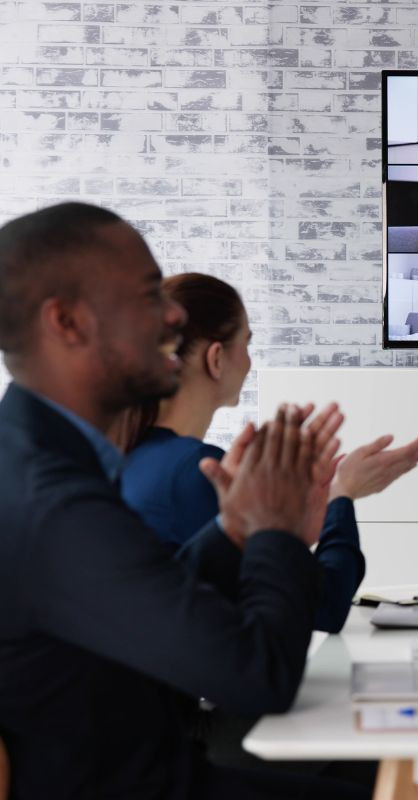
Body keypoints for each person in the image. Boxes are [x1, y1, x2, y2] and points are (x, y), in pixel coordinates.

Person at [0, 202, 367, 799]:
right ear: (66, 322)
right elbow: (259, 677)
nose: (173, 313)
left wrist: (236, 528)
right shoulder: (54, 502)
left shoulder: (40, 457)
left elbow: (142, 598)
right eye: (148, 295)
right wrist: (276, 530)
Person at [121, 273, 418, 634]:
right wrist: (342, 495)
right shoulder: (200, 471)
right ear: (217, 359)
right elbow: (324, 605)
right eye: (247, 344)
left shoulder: (132, 456)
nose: (250, 363)